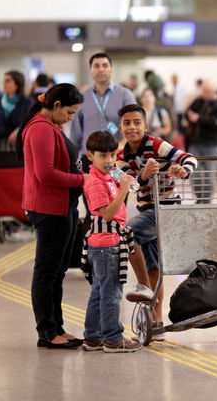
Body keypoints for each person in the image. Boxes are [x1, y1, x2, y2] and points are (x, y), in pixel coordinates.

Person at [117, 103, 197, 336]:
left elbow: (188, 158)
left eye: (137, 122)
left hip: (167, 209)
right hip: (147, 212)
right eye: (127, 123)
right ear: (121, 127)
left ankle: (143, 286)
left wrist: (184, 170)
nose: (132, 127)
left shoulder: (157, 145)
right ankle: (157, 323)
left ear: (146, 125)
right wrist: (142, 176)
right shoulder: (122, 156)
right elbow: (128, 185)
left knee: (127, 232)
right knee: (154, 267)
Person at [17, 84, 86, 349]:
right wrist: (83, 179)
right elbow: (45, 174)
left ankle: (56, 326)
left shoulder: (51, 126)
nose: (71, 118)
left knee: (57, 271)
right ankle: (46, 331)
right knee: (47, 272)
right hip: (48, 209)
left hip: (61, 206)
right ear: (56, 106)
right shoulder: (40, 128)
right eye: (70, 112)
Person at [81, 131, 143, 353]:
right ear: (91, 156)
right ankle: (113, 339)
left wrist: (123, 181)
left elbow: (129, 186)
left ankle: (93, 337)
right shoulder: (95, 182)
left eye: (112, 155)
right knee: (111, 294)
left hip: (107, 242)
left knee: (99, 292)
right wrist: (123, 190)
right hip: (106, 244)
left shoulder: (108, 176)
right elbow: (107, 214)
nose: (109, 161)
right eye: (103, 156)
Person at [69, 52, 137, 157]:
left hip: (116, 157)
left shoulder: (125, 95)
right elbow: (75, 134)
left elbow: (135, 126)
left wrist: (123, 144)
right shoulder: (81, 98)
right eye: (96, 66)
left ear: (111, 70)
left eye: (105, 65)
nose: (101, 69)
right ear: (90, 71)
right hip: (88, 158)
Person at [185, 81, 217, 203]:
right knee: (193, 173)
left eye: (206, 91)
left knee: (210, 175)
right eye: (203, 91)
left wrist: (199, 119)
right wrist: (190, 116)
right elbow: (188, 113)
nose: (204, 94)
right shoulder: (199, 101)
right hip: (195, 143)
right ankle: (199, 197)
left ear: (214, 91)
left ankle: (206, 199)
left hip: (211, 144)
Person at [0, 70, 33, 148]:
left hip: (19, 144)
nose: (4, 83)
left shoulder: (27, 102)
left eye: (8, 81)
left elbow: (29, 122)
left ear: (17, 84)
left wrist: (19, 130)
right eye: (4, 80)